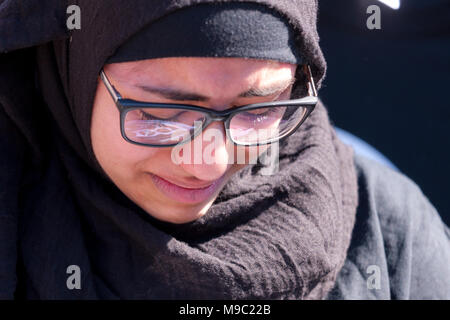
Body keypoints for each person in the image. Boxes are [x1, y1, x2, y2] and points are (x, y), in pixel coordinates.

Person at [0, 0, 448, 300]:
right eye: (164, 111)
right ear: (73, 68)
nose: (207, 163)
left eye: (257, 109)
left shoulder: (391, 233)